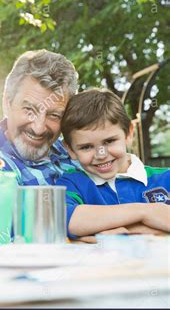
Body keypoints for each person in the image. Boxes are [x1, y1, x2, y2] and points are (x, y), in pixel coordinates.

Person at [57, 88, 170, 239]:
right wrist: (146, 212)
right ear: (70, 149)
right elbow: (62, 218)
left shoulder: (165, 178)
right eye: (86, 147)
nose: (101, 155)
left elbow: (80, 227)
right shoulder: (72, 183)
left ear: (129, 133)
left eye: (109, 141)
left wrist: (99, 231)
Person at [0, 49, 80, 185]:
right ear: (7, 102)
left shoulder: (77, 152)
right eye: (29, 109)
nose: (38, 128)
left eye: (54, 115)